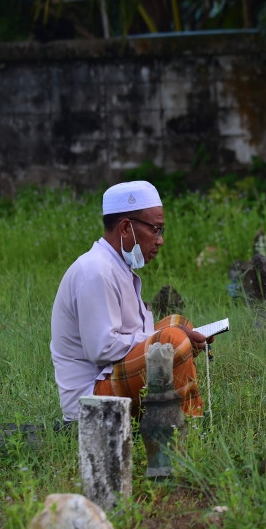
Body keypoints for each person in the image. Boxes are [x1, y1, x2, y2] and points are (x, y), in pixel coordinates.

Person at [50, 181, 210, 424]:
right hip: (91, 399)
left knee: (179, 324)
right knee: (173, 340)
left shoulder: (115, 265)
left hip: (110, 375)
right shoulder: (96, 270)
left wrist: (178, 335)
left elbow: (131, 335)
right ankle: (191, 427)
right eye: (155, 229)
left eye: (161, 231)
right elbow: (101, 348)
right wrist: (171, 338)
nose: (160, 240)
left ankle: (167, 417)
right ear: (126, 227)